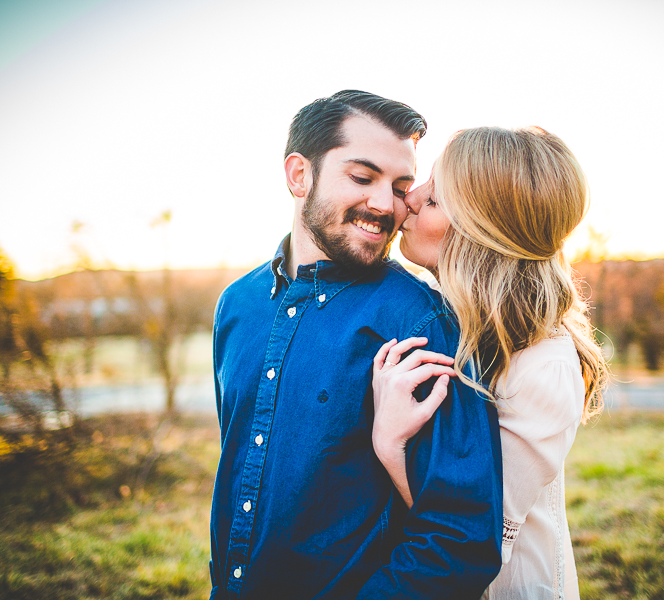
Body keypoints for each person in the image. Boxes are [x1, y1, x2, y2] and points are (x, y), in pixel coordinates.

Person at [208, 91, 503, 600]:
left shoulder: (421, 320)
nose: (385, 205)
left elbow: (461, 539)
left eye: (400, 186)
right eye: (362, 178)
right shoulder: (237, 306)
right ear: (299, 175)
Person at [371, 126, 607, 599]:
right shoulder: (440, 316)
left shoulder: (543, 367)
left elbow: (469, 536)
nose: (409, 199)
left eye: (434, 200)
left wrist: (390, 443)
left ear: (484, 232)